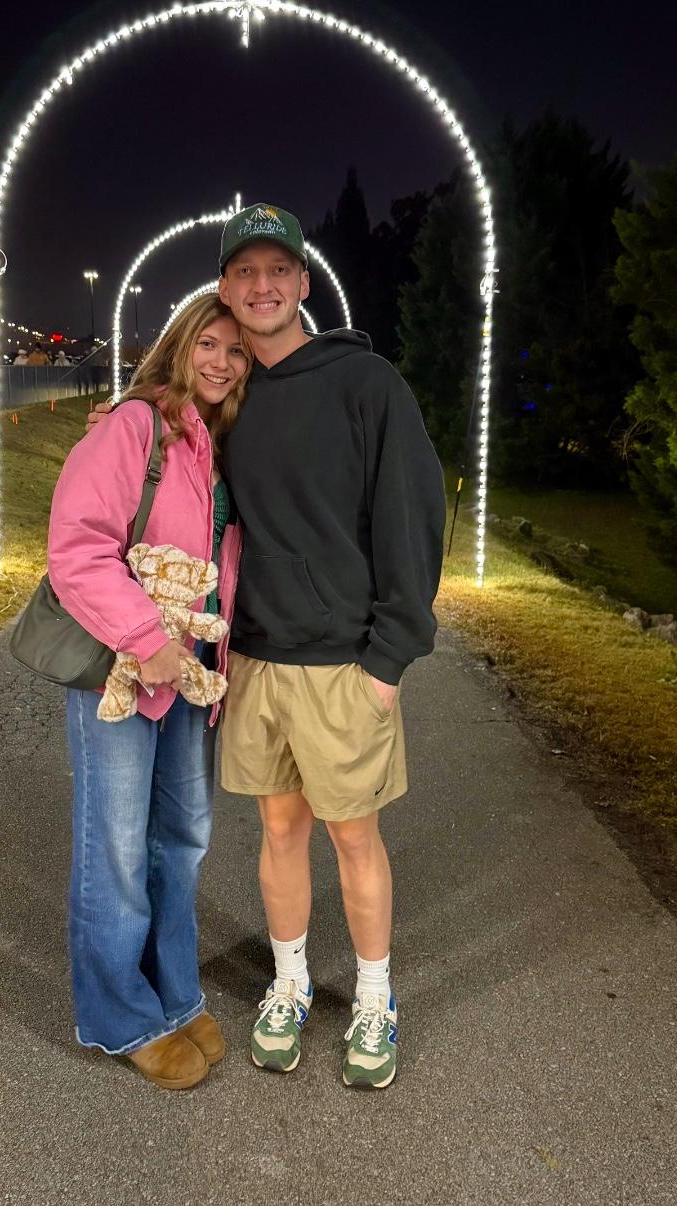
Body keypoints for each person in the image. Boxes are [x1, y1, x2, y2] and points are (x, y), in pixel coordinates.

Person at [89, 203, 444, 1089]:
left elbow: (413, 518)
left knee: (353, 837)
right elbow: (186, 494)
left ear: (303, 283)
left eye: (276, 271)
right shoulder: (230, 402)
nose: (260, 286)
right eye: (243, 272)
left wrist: (389, 660)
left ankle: (373, 999)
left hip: (345, 666)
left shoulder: (370, 387)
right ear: (223, 289)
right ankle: (288, 985)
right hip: (253, 661)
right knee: (279, 829)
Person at [46, 294, 249, 1090]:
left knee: (182, 841)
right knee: (116, 849)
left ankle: (173, 992)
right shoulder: (135, 427)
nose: (221, 362)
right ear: (180, 343)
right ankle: (119, 1016)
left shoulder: (225, 446)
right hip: (120, 675)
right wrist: (147, 641)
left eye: (236, 352)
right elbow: (78, 548)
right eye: (209, 342)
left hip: (190, 682)